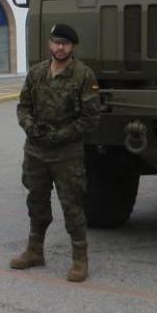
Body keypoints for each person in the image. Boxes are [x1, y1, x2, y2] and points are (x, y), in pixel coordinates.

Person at [11, 23, 101, 282]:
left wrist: (60, 136)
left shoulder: (84, 76)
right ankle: (35, 250)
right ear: (50, 44)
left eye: (65, 44)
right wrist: (30, 127)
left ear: (72, 47)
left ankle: (80, 259)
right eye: (56, 43)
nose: (59, 48)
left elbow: (90, 119)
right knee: (36, 201)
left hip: (66, 153)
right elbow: (23, 106)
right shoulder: (37, 73)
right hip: (36, 151)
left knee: (72, 205)